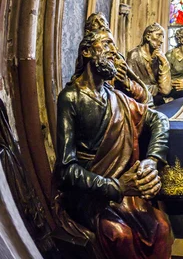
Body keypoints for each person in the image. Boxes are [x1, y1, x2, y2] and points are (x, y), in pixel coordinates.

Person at [56, 28, 172, 258]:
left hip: (124, 194)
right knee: (119, 235)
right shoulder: (71, 98)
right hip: (91, 194)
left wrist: (151, 160)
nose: (114, 52)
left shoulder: (115, 97)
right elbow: (66, 169)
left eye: (114, 47)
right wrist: (116, 187)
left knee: (161, 226)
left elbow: (158, 118)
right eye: (107, 44)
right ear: (87, 51)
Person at [81, 13, 151, 105]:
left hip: (120, 102)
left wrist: (124, 81)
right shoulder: (87, 56)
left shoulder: (117, 56)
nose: (102, 25)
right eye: (95, 23)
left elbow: (143, 92)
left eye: (103, 21)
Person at [127, 23, 172, 105]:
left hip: (156, 96)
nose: (161, 40)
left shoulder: (159, 57)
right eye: (158, 35)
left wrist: (165, 63)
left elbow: (165, 90)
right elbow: (131, 83)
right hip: (141, 97)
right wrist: (156, 89)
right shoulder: (134, 55)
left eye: (162, 37)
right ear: (148, 37)